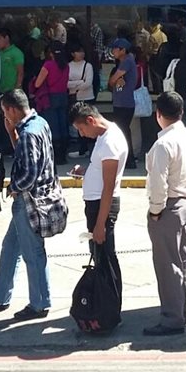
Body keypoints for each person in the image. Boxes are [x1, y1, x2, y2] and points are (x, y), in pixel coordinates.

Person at [0, 89, 62, 321]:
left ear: (12, 109)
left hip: (29, 202)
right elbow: (29, 157)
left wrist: (14, 189)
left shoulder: (28, 134)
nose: (5, 117)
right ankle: (0, 295)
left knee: (33, 253)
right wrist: (11, 133)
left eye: (5, 112)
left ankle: (39, 303)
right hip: (39, 198)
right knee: (11, 248)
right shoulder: (40, 124)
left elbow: (28, 173)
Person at [143, 92, 186, 336]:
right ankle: (184, 308)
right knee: (183, 258)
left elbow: (158, 183)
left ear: (159, 114)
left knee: (167, 264)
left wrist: (155, 210)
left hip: (168, 206)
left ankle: (172, 317)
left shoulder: (162, 145)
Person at [70, 102, 126, 308]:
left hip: (101, 208)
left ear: (91, 121)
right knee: (101, 257)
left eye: (82, 129)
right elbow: (102, 173)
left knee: (105, 259)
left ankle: (109, 307)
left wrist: (100, 224)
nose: (83, 135)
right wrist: (87, 172)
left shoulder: (110, 142)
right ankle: (105, 304)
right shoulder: (104, 136)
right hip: (96, 204)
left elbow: (109, 187)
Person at [33, 42, 71, 165]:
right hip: (63, 96)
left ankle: (55, 154)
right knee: (62, 124)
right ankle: (63, 154)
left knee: (53, 125)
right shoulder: (66, 66)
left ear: (50, 53)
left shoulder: (48, 65)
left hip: (51, 97)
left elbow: (37, 83)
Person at [107, 38, 138, 169]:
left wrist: (111, 81)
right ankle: (127, 158)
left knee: (123, 131)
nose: (113, 51)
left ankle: (129, 159)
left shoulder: (127, 61)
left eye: (115, 49)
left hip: (125, 103)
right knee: (123, 130)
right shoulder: (124, 62)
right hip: (121, 102)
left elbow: (113, 80)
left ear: (123, 50)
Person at [67, 44, 96, 157]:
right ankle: (82, 149)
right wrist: (80, 82)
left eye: (82, 51)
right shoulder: (69, 66)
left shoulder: (88, 66)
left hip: (87, 97)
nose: (81, 54)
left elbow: (88, 83)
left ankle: (90, 148)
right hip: (75, 98)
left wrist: (74, 85)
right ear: (73, 53)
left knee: (90, 122)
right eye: (78, 51)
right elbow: (66, 83)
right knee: (79, 122)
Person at [0, 28, 25, 96]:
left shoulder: (16, 53)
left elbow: (20, 72)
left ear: (7, 38)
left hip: (12, 91)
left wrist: (17, 90)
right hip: (0, 91)